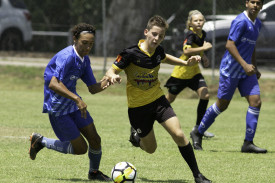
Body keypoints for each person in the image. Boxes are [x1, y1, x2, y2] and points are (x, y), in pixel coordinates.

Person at [105, 15, 211, 183]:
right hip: (138, 108)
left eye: (160, 36)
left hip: (158, 101)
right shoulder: (130, 53)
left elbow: (165, 57)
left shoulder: (158, 51)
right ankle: (136, 137)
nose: (157, 39)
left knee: (179, 134)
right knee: (151, 149)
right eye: (154, 34)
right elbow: (111, 70)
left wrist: (185, 64)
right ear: (146, 32)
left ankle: (197, 175)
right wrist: (112, 77)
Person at [28, 23, 112, 181]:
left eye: (91, 44)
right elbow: (53, 84)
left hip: (73, 104)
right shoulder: (67, 57)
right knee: (80, 149)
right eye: (84, 43)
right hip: (58, 108)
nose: (87, 47)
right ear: (75, 39)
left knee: (95, 139)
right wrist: (77, 98)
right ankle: (41, 141)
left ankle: (94, 173)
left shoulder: (84, 60)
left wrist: (109, 81)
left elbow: (93, 88)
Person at [190, 0, 267, 153]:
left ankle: (248, 143)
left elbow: (252, 46)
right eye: (252, 2)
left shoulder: (257, 23)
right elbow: (229, 45)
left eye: (258, 3)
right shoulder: (240, 21)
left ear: (262, 6)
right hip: (231, 70)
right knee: (222, 105)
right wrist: (245, 65)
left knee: (256, 102)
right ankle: (198, 132)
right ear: (246, 3)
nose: (255, 5)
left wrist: (254, 66)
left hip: (246, 73)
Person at [164, 10, 214, 138]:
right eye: (195, 20)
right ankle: (147, 119)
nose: (198, 22)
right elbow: (187, 51)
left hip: (194, 72)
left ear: (204, 22)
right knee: (167, 101)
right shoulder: (190, 35)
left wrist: (204, 57)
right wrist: (203, 49)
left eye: (201, 20)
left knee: (205, 94)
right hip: (181, 73)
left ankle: (199, 128)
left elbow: (199, 51)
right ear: (190, 23)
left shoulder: (203, 34)